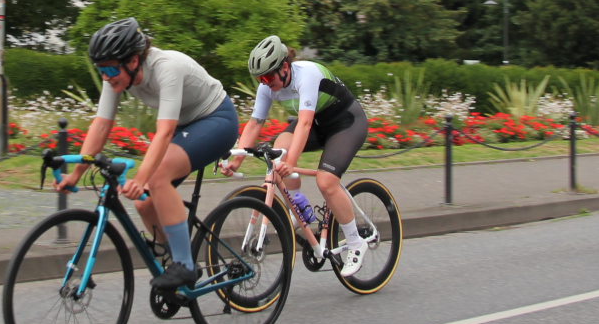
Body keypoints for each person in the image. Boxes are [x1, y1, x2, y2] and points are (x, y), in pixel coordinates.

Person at [55, 17, 239, 290]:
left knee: (156, 178)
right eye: (100, 69)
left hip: (216, 119)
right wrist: (76, 173)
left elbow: (164, 133)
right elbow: (101, 125)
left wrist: (142, 177)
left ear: (132, 61)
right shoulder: (116, 74)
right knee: (143, 202)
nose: (105, 76)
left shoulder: (167, 67)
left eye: (108, 69)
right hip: (186, 126)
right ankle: (171, 258)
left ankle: (186, 266)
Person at [221, 35, 368, 277]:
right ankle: (300, 205)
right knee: (278, 150)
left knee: (326, 182)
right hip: (317, 124)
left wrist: (291, 163)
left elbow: (305, 124)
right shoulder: (267, 88)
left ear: (285, 68)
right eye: (260, 79)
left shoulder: (307, 75)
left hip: (345, 123)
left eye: (268, 77)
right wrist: (236, 160)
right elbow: (255, 124)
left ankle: (355, 243)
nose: (265, 83)